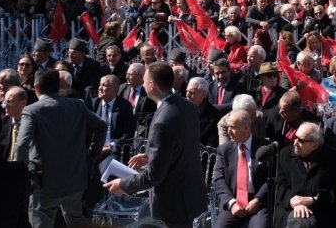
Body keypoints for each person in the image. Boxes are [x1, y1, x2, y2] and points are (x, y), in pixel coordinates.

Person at [104, 62, 207, 228]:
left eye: (144, 80)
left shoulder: (163, 120)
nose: (142, 83)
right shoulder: (187, 106)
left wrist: (122, 185)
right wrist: (151, 157)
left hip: (173, 203)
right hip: (190, 194)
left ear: (151, 85)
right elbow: (180, 147)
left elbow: (153, 176)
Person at [16, 69, 107, 228]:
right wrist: (91, 157)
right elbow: (101, 127)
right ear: (58, 87)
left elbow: (22, 144)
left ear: (36, 88)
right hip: (75, 180)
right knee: (77, 221)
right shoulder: (77, 106)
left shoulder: (32, 110)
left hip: (45, 183)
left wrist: (24, 174)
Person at [273, 121, 336, 228]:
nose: (295, 143)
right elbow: (281, 186)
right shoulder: (285, 155)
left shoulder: (334, 159)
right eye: (295, 137)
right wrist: (294, 201)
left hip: (322, 211)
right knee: (298, 222)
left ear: (314, 145)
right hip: (289, 209)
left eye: (300, 141)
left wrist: (314, 200)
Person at [212, 110, 270, 228]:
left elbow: (271, 177)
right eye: (228, 127)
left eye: (233, 127)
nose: (228, 132)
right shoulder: (224, 150)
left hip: (257, 202)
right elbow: (219, 179)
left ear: (246, 128)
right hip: (233, 201)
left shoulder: (264, 148)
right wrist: (232, 203)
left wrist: (258, 200)